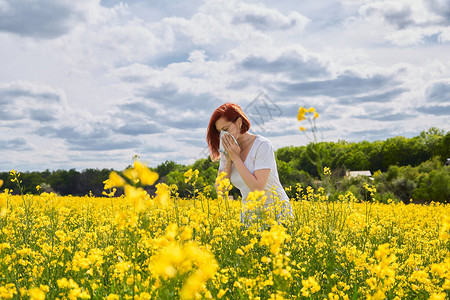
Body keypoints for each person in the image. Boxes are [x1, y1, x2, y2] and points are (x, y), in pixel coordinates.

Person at [206, 103, 294, 224]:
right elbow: (221, 191)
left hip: (276, 213)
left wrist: (236, 158)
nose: (223, 136)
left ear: (239, 122)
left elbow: (258, 188)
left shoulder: (262, 145)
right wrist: (228, 160)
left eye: (226, 129)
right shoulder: (228, 152)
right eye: (219, 132)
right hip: (249, 215)